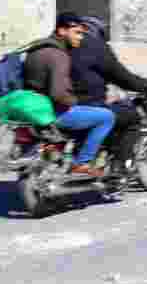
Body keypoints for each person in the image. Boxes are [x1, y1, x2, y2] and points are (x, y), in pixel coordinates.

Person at [23, 12, 115, 178]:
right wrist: (74, 101)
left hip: (34, 110)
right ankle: (83, 162)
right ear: (62, 31)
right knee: (107, 116)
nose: (80, 38)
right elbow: (58, 93)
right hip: (53, 113)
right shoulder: (59, 55)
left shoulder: (36, 49)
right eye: (77, 32)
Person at [70, 16, 147, 180]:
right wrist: (146, 85)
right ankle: (121, 166)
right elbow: (121, 76)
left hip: (61, 104)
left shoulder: (63, 45)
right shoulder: (96, 46)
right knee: (132, 118)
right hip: (86, 105)